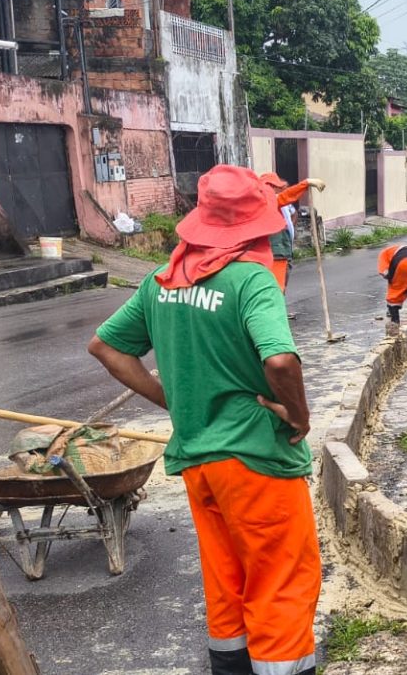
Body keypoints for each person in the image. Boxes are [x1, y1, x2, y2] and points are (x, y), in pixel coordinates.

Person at [87, 164, 319, 675]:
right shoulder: (251, 280)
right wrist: (298, 415)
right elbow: (279, 361)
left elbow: (105, 346)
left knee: (226, 578)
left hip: (199, 461)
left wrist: (173, 399)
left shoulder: (163, 281)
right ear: (257, 222)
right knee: (280, 581)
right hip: (256, 457)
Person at [258, 172, 327, 293]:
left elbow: (289, 202)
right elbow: (288, 195)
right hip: (276, 254)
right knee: (276, 291)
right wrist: (306, 183)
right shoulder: (267, 201)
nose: (278, 189)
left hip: (279, 251)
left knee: (275, 289)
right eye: (275, 187)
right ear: (269, 187)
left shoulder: (267, 202)